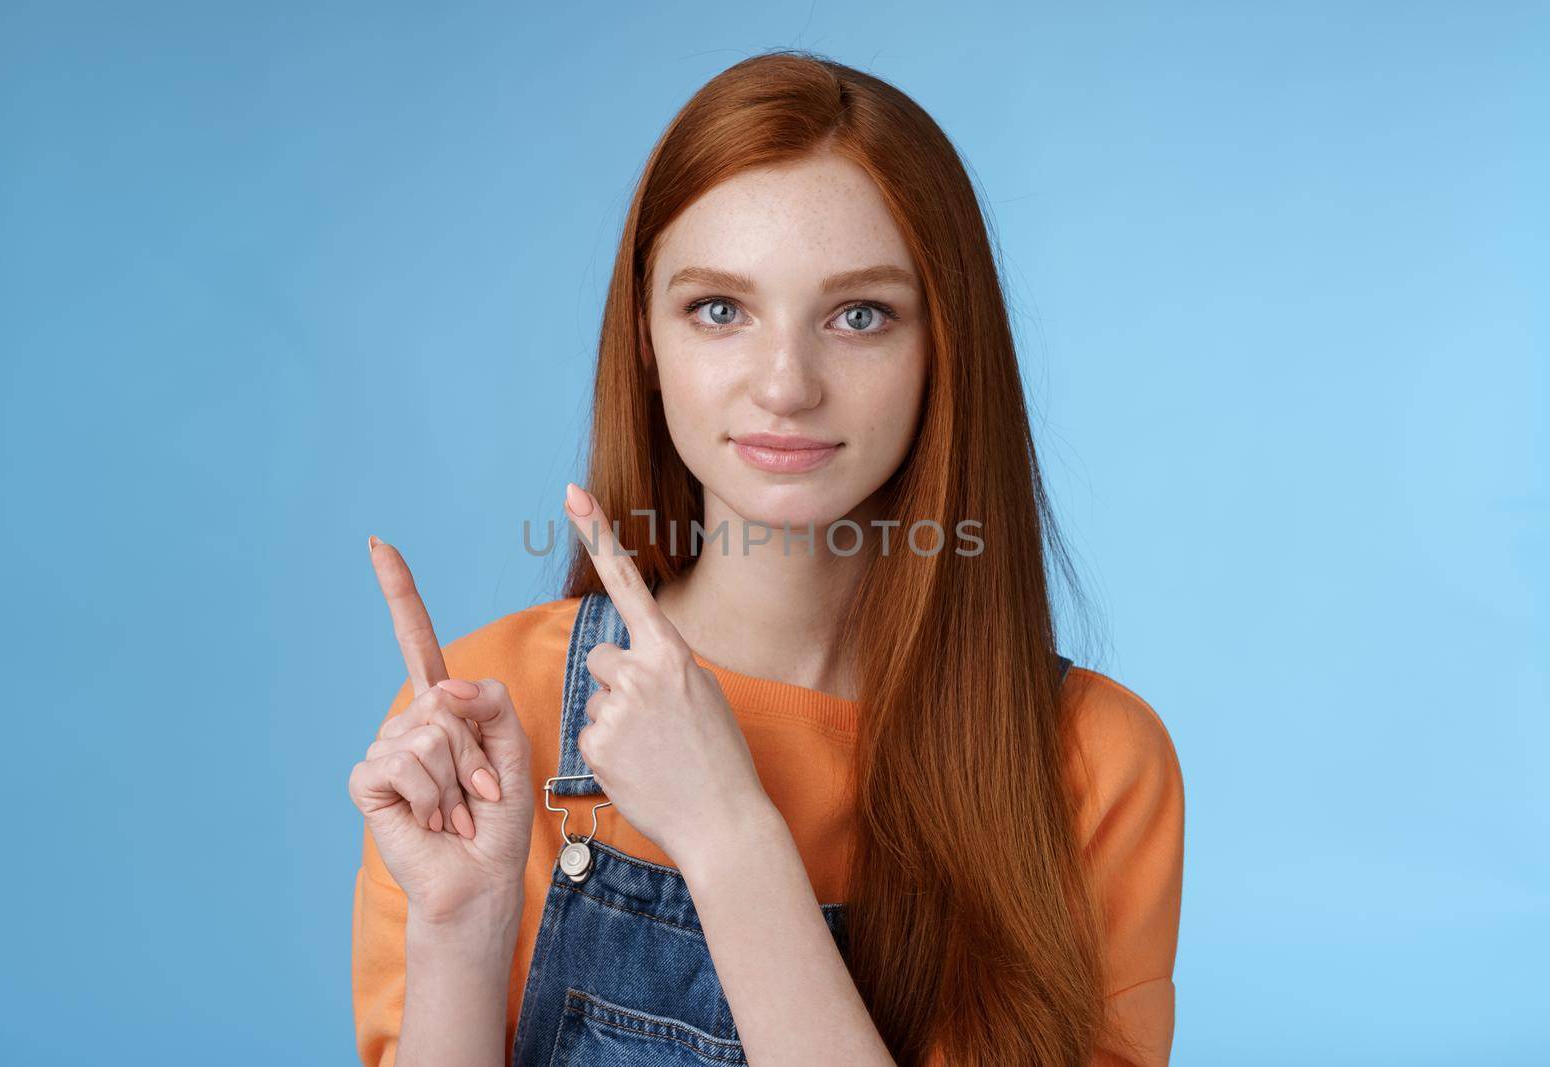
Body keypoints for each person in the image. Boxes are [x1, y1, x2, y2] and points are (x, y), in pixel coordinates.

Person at [349, 49, 1184, 1067]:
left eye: (859, 315)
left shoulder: (1094, 766)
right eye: (719, 310)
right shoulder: (487, 712)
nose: (785, 384)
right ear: (647, 343)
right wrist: (459, 936)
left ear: (941, 351)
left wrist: (729, 836)